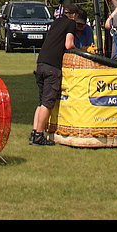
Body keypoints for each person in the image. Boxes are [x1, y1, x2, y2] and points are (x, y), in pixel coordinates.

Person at [30, 7, 88, 145]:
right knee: (47, 102)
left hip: (41, 63)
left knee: (40, 102)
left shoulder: (56, 22)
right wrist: (79, 51)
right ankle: (39, 135)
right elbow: (69, 44)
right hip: (52, 67)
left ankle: (33, 133)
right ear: (74, 15)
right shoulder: (70, 24)